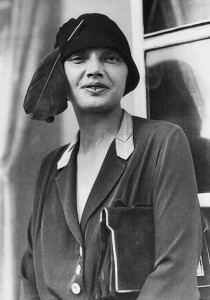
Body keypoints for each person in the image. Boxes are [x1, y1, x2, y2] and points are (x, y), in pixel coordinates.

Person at [20, 13, 202, 300]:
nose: (94, 69)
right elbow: (30, 280)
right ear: (59, 77)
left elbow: (175, 270)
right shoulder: (50, 169)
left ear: (126, 72)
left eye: (110, 58)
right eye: (79, 59)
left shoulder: (161, 144)